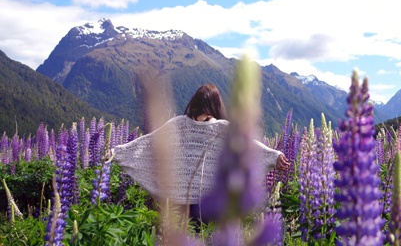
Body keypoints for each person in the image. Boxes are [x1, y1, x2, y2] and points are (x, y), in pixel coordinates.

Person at [111, 83, 290, 219]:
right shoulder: (223, 128)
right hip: (209, 203)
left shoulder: (178, 124)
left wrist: (117, 153)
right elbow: (249, 147)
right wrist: (274, 156)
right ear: (216, 105)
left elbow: (148, 144)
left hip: (176, 200)